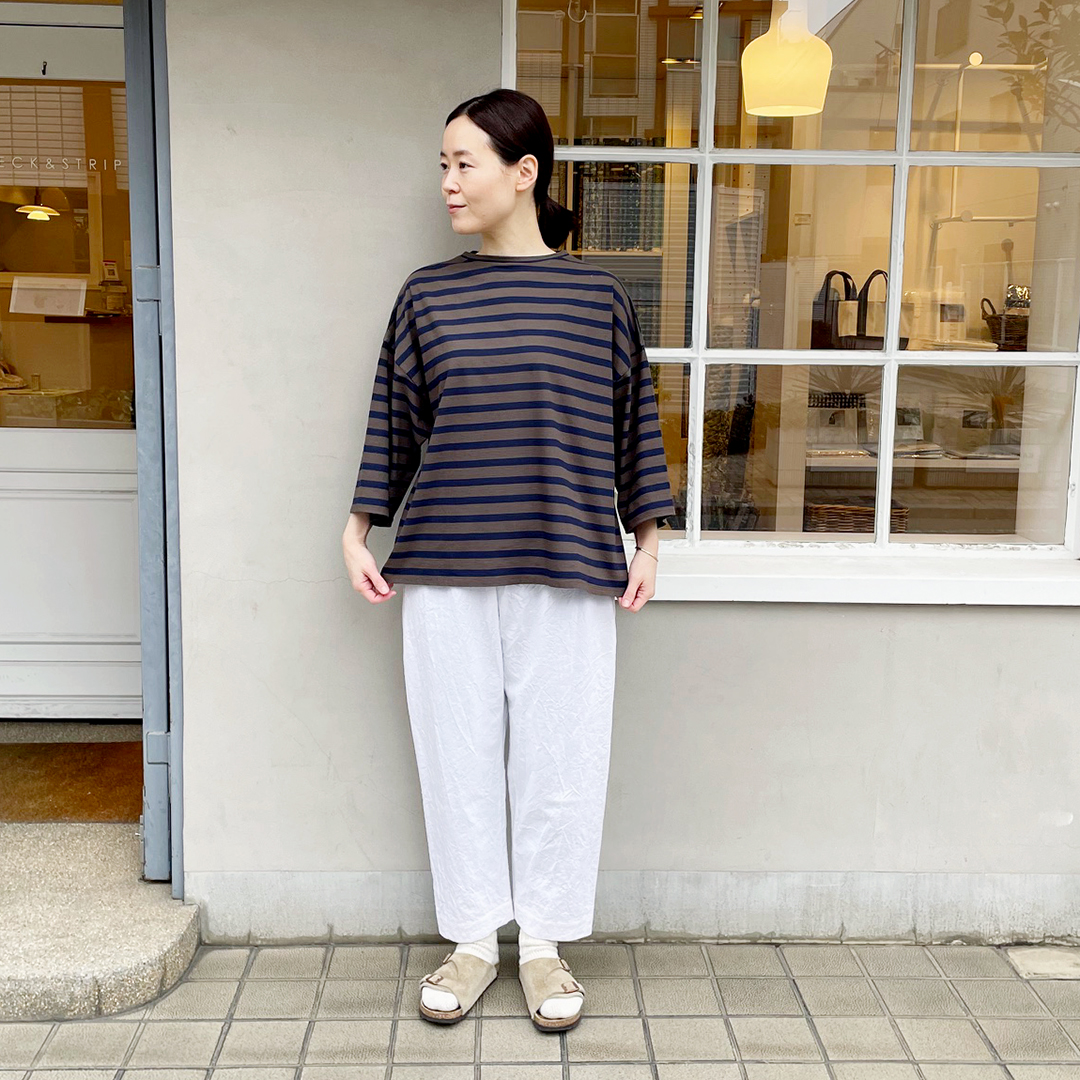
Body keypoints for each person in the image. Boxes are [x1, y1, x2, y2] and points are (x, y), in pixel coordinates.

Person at [341, 87, 677, 1034]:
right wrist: (359, 527)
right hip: (445, 565)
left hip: (570, 563)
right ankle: (473, 941)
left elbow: (633, 425)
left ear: (524, 172)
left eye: (465, 164)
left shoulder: (596, 299)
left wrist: (648, 537)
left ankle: (542, 947)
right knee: (456, 760)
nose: (447, 182)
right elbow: (394, 420)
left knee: (560, 762)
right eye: (443, 165)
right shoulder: (427, 295)